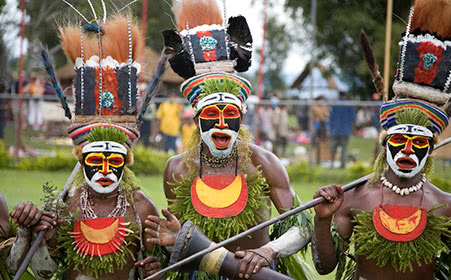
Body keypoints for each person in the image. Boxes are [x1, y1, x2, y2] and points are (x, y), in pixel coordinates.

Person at [159, 0, 313, 279]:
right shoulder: (176, 168)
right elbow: (177, 240)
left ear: (241, 119)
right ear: (196, 121)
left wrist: (268, 251)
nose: (220, 123)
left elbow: (301, 228)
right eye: (211, 115)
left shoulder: (264, 162)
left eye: (229, 114)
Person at [12, 11, 169, 280]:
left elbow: (157, 269)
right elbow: (42, 271)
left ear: (126, 161)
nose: (105, 169)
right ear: (82, 160)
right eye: (96, 161)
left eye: (114, 161)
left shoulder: (142, 208)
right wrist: (34, 232)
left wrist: (159, 269)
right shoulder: (66, 205)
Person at [312, 1, 451, 278]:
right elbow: (324, 266)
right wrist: (323, 219)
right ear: (384, 142)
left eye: (418, 144)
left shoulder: (446, 206)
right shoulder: (356, 198)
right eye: (399, 139)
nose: (407, 150)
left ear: (431, 149)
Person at [329, 91, 355, 168]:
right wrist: (353, 129)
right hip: (345, 131)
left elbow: (330, 118)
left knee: (333, 149)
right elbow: (353, 119)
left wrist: (330, 129)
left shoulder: (335, 104)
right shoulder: (349, 105)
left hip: (335, 130)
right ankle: (342, 165)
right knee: (344, 150)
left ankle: (331, 164)